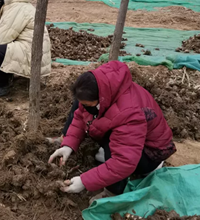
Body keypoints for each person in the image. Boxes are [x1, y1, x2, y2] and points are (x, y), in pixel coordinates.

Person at [49, 61, 176, 201]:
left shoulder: (129, 113)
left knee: (112, 142)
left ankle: (112, 192)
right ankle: (68, 144)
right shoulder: (104, 89)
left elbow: (123, 162)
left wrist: (84, 181)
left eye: (89, 105)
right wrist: (69, 143)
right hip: (131, 140)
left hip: (150, 154)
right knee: (81, 103)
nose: (85, 107)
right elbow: (80, 114)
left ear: (101, 99)